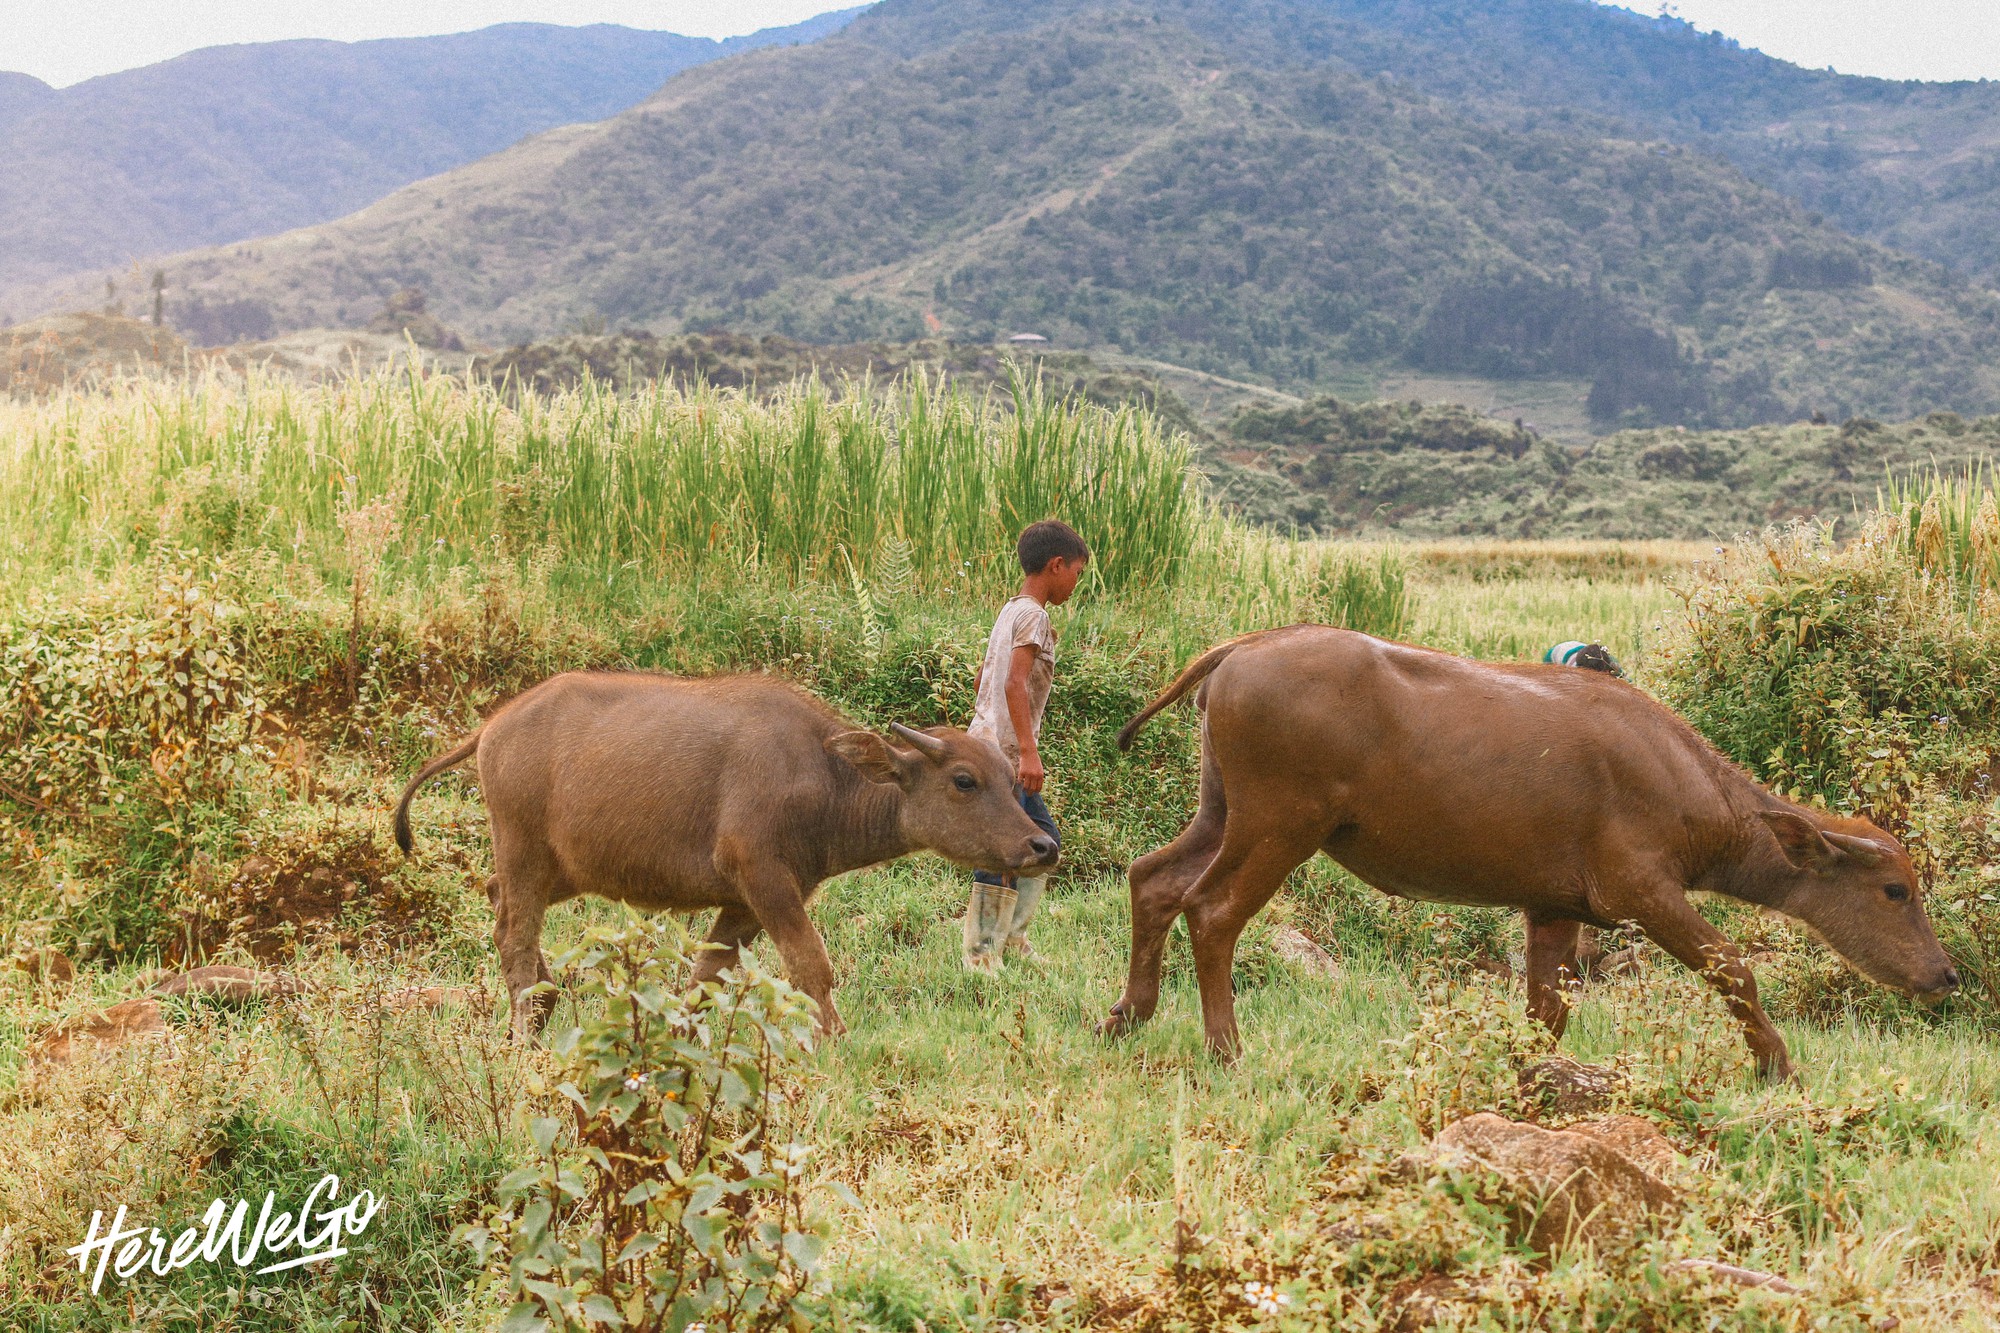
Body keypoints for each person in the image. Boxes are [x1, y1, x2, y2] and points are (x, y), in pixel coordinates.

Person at [962, 519, 1090, 972]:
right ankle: (982, 955)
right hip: (1006, 756)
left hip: (986, 744)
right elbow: (1015, 685)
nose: (1076, 583)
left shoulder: (1009, 611)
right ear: (1056, 565)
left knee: (1043, 842)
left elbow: (983, 679)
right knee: (1009, 848)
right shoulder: (1034, 616)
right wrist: (1028, 751)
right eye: (1076, 572)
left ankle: (1010, 941)